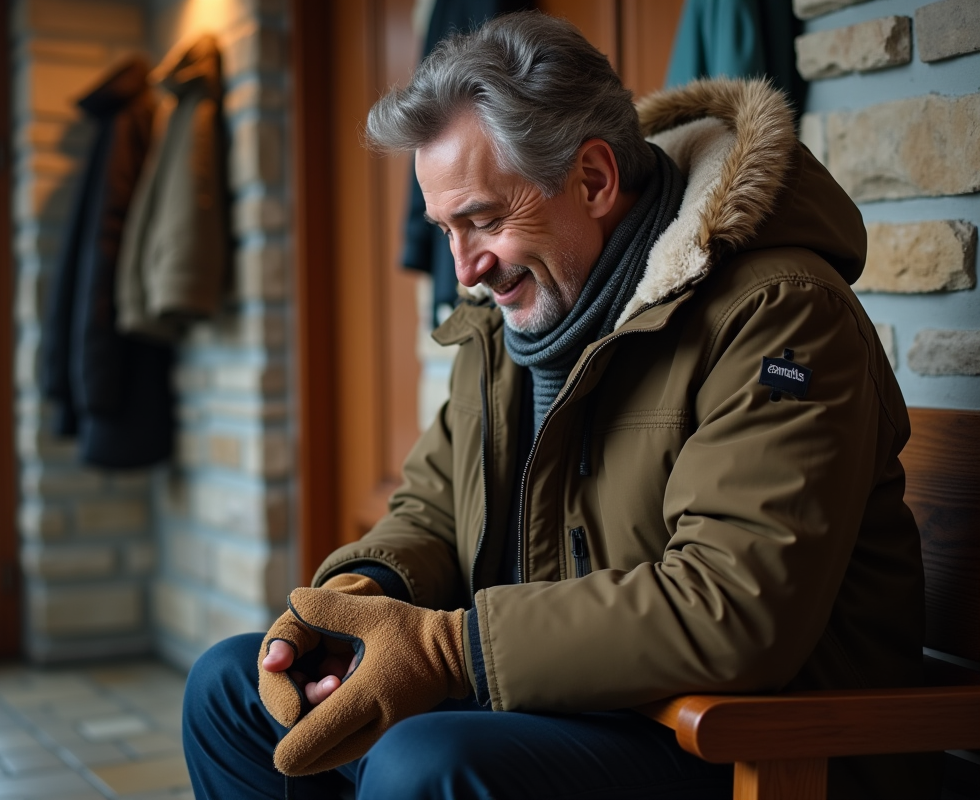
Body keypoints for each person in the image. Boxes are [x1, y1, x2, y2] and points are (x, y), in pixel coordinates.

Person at [182, 12, 929, 799]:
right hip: (561, 704)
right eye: (445, 229)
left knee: (426, 764)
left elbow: (732, 607)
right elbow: (433, 509)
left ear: (596, 180)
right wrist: (357, 604)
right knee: (230, 689)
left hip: (741, 745)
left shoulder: (778, 316)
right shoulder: (517, 319)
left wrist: (446, 653)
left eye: (482, 219)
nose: (466, 269)